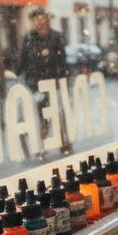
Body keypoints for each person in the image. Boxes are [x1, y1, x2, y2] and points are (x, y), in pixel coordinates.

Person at [17, 9, 71, 156]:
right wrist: (25, 78)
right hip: (36, 84)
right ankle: (42, 146)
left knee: (58, 113)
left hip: (55, 83)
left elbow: (63, 61)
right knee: (40, 116)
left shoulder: (56, 37)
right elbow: (22, 62)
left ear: (47, 20)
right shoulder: (29, 39)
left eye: (42, 19)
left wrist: (64, 80)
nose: (39, 23)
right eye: (36, 20)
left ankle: (63, 142)